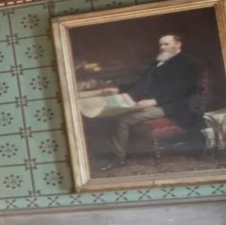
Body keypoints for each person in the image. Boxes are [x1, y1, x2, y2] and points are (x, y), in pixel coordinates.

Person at [91, 31, 213, 169]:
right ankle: (123, 152)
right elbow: (142, 82)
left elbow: (183, 91)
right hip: (154, 103)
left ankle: (118, 159)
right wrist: (119, 89)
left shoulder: (190, 63)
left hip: (177, 107)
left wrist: (154, 101)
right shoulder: (159, 61)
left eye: (166, 44)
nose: (162, 47)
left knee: (123, 120)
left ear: (178, 44)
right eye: (161, 45)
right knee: (112, 113)